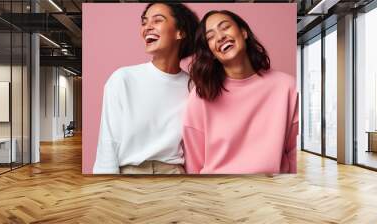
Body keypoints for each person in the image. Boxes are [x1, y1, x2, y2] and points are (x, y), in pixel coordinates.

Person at [183, 10, 298, 174]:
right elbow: (194, 164)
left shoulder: (287, 87)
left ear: (243, 32)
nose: (220, 37)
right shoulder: (201, 96)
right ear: (211, 52)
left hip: (273, 192)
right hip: (218, 192)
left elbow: (295, 153)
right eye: (210, 37)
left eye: (225, 27)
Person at [93, 3, 199, 174]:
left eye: (157, 20)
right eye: (144, 22)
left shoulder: (193, 87)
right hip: (130, 177)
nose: (147, 27)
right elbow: (108, 141)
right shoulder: (123, 79)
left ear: (180, 32)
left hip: (175, 176)